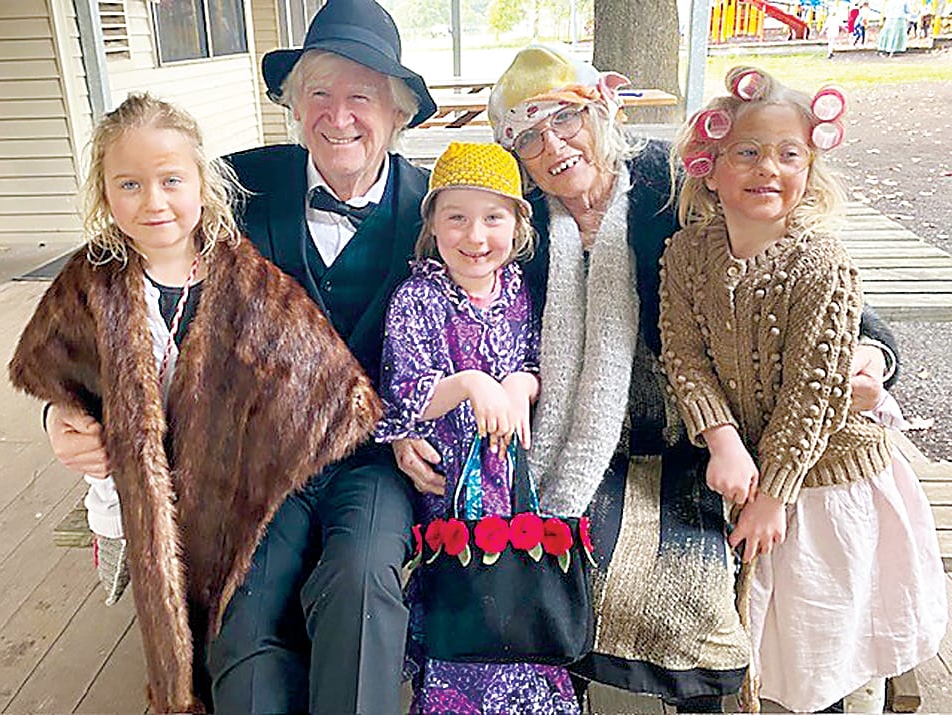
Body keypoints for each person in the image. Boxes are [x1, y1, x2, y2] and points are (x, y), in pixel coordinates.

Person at [398, 43, 902, 712]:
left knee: (687, 580)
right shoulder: (517, 227)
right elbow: (445, 315)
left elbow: (790, 252)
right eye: (528, 138)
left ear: (600, 110)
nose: (552, 146)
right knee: (554, 555)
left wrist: (871, 349)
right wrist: (408, 425)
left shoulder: (670, 185)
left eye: (564, 120)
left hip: (698, 428)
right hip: (577, 441)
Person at [37, 0, 439, 712]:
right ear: (293, 104)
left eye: (361, 97)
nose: (337, 115)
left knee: (361, 577)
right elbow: (126, 275)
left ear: (398, 113)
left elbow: (500, 305)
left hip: (374, 458)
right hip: (256, 458)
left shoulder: (439, 211)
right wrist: (67, 408)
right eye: (318, 93)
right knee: (240, 603)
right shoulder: (237, 188)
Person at [8, 94, 380, 712]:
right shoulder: (89, 284)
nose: (153, 202)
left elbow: (329, 388)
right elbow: (56, 375)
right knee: (190, 649)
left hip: (235, 491)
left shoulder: (246, 280)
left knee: (246, 623)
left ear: (203, 184)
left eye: (171, 180)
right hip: (150, 504)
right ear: (104, 194)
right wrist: (62, 418)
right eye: (130, 184)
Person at [663, 66, 947, 713]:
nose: (768, 167)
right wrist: (722, 438)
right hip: (748, 469)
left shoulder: (821, 262)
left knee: (827, 638)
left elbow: (813, 392)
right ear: (708, 166)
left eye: (788, 154)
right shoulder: (685, 256)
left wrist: (773, 492)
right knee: (769, 646)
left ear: (808, 169)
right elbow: (684, 353)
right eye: (748, 151)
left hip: (823, 476)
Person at [375, 141, 579, 713]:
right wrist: (468, 382)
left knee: (521, 590)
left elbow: (538, 366)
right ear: (433, 226)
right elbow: (408, 395)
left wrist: (518, 384)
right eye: (456, 217)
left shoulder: (521, 293)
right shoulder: (417, 297)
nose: (475, 236)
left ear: (518, 227)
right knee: (467, 596)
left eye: (493, 218)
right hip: (450, 484)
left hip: (515, 480)